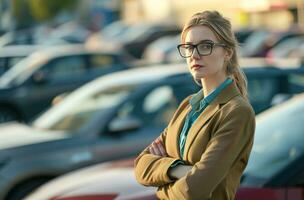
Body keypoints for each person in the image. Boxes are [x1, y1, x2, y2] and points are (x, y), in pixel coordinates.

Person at [134, 10, 255, 200]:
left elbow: (193, 191)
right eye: (189, 47)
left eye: (205, 46)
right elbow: (141, 166)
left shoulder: (236, 111)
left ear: (227, 52)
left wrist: (161, 186)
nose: (194, 55)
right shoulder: (187, 106)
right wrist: (178, 169)